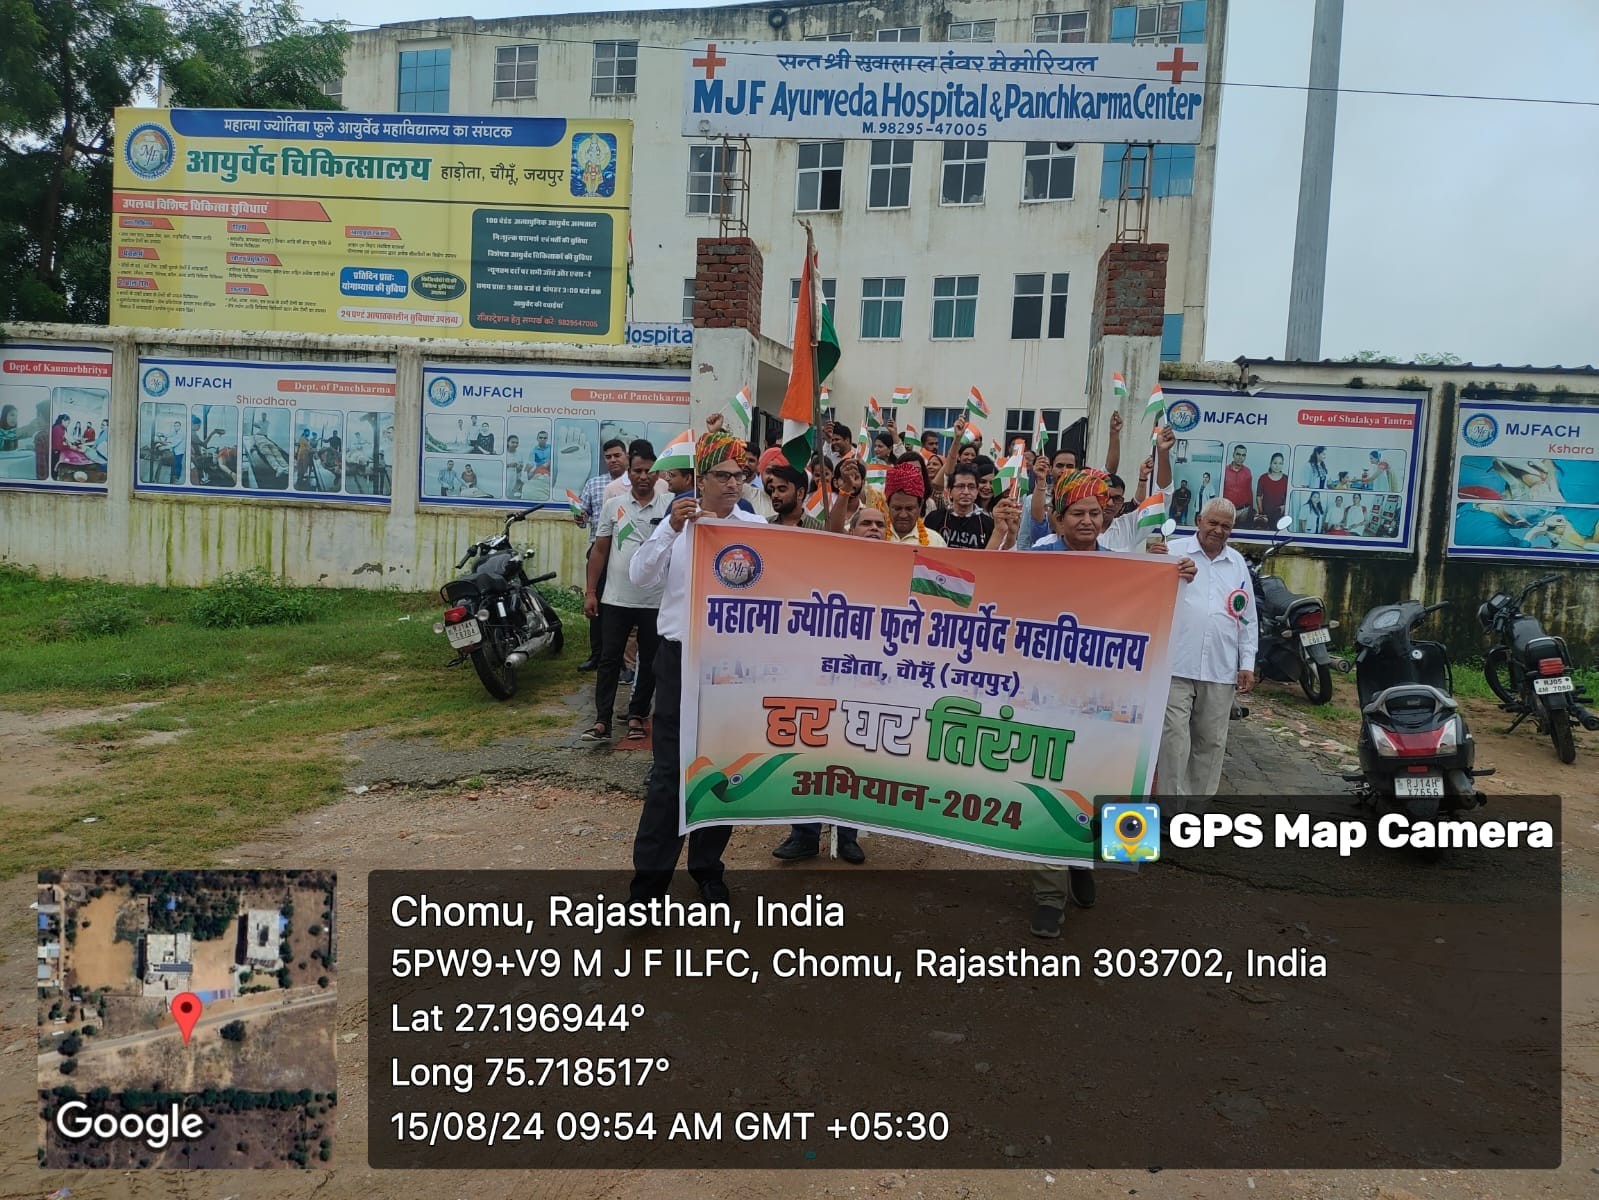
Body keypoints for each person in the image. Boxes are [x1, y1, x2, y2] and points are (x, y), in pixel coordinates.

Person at [1025, 467, 1196, 938]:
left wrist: (1177, 574)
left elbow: (1155, 608)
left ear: (1105, 518)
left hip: (1105, 702)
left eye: (1094, 513)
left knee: (1103, 778)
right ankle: (1047, 893)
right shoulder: (1037, 558)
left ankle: (1084, 861)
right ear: (1057, 520)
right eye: (1076, 513)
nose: (1086, 521)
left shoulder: (1125, 566)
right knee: (1047, 786)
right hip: (1045, 698)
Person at [627, 429, 768, 906]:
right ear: (700, 479)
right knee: (669, 773)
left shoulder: (757, 529)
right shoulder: (678, 526)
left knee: (723, 768)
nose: (733, 484)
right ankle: (649, 886)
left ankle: (708, 869)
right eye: (723, 475)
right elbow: (640, 577)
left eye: (741, 476)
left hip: (734, 667)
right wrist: (669, 527)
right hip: (679, 661)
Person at [1158, 498, 1256, 814]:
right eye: (1212, 523)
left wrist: (1247, 663)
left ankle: (1195, 809)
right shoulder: (1173, 551)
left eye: (1225, 526)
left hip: (1220, 667)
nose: (1218, 530)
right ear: (1200, 520)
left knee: (1210, 743)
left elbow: (1247, 615)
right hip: (1175, 663)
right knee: (1173, 739)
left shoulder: (1237, 563)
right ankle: (1170, 810)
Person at [581, 442, 671, 745]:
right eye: (638, 470)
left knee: (650, 661)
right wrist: (591, 591)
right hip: (616, 599)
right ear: (628, 473)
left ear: (657, 473)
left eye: (649, 471)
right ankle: (601, 720)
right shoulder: (613, 505)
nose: (643, 476)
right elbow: (599, 552)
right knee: (609, 660)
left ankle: (636, 714)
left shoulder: (670, 505)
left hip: (656, 600)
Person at [575, 438, 630, 670]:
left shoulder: (636, 484)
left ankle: (624, 659)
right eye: (608, 457)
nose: (613, 460)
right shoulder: (594, 484)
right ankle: (597, 655)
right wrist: (579, 517)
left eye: (617, 455)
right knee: (595, 602)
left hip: (627, 552)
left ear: (626, 456)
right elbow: (583, 514)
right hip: (599, 551)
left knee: (622, 606)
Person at [925, 463, 996, 548]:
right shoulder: (934, 518)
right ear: (950, 491)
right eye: (960, 486)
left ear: (977, 492)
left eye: (971, 487)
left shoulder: (988, 524)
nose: (966, 492)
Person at [883, 460, 946, 546]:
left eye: (909, 509)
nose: (903, 515)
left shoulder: (936, 542)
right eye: (897, 508)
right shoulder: (876, 537)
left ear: (920, 506)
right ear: (888, 505)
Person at [766, 462, 825, 529]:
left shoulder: (819, 529)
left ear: (800, 493)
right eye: (773, 490)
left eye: (782, 489)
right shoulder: (765, 525)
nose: (774, 495)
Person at [1255, 452, 1290, 526]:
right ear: (1270, 463)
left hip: (1280, 514)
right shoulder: (1263, 478)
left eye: (1280, 463)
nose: (1277, 466)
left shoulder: (1286, 479)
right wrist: (1261, 513)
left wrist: (1284, 507)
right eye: (1275, 463)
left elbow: (1288, 496)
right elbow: (1258, 496)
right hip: (1265, 514)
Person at [1222, 444, 1253, 522]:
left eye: (1243, 455)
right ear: (1233, 455)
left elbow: (1249, 490)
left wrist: (1250, 508)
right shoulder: (1224, 471)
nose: (1240, 457)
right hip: (1227, 510)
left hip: (1244, 510)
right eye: (1238, 454)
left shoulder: (1247, 471)